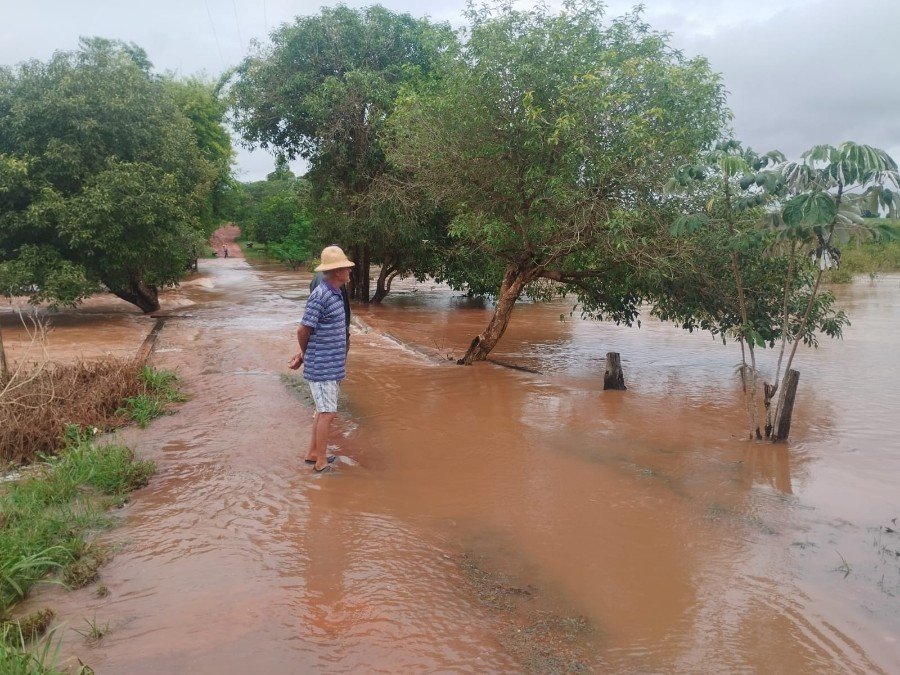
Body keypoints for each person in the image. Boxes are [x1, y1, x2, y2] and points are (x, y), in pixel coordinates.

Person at [289, 245, 354, 473]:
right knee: (328, 413)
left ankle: (313, 454)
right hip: (322, 365)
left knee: (321, 411)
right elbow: (303, 329)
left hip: (331, 364)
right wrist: (305, 354)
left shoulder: (336, 292)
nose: (349, 271)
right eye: (346, 268)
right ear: (337, 271)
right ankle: (321, 463)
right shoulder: (321, 295)